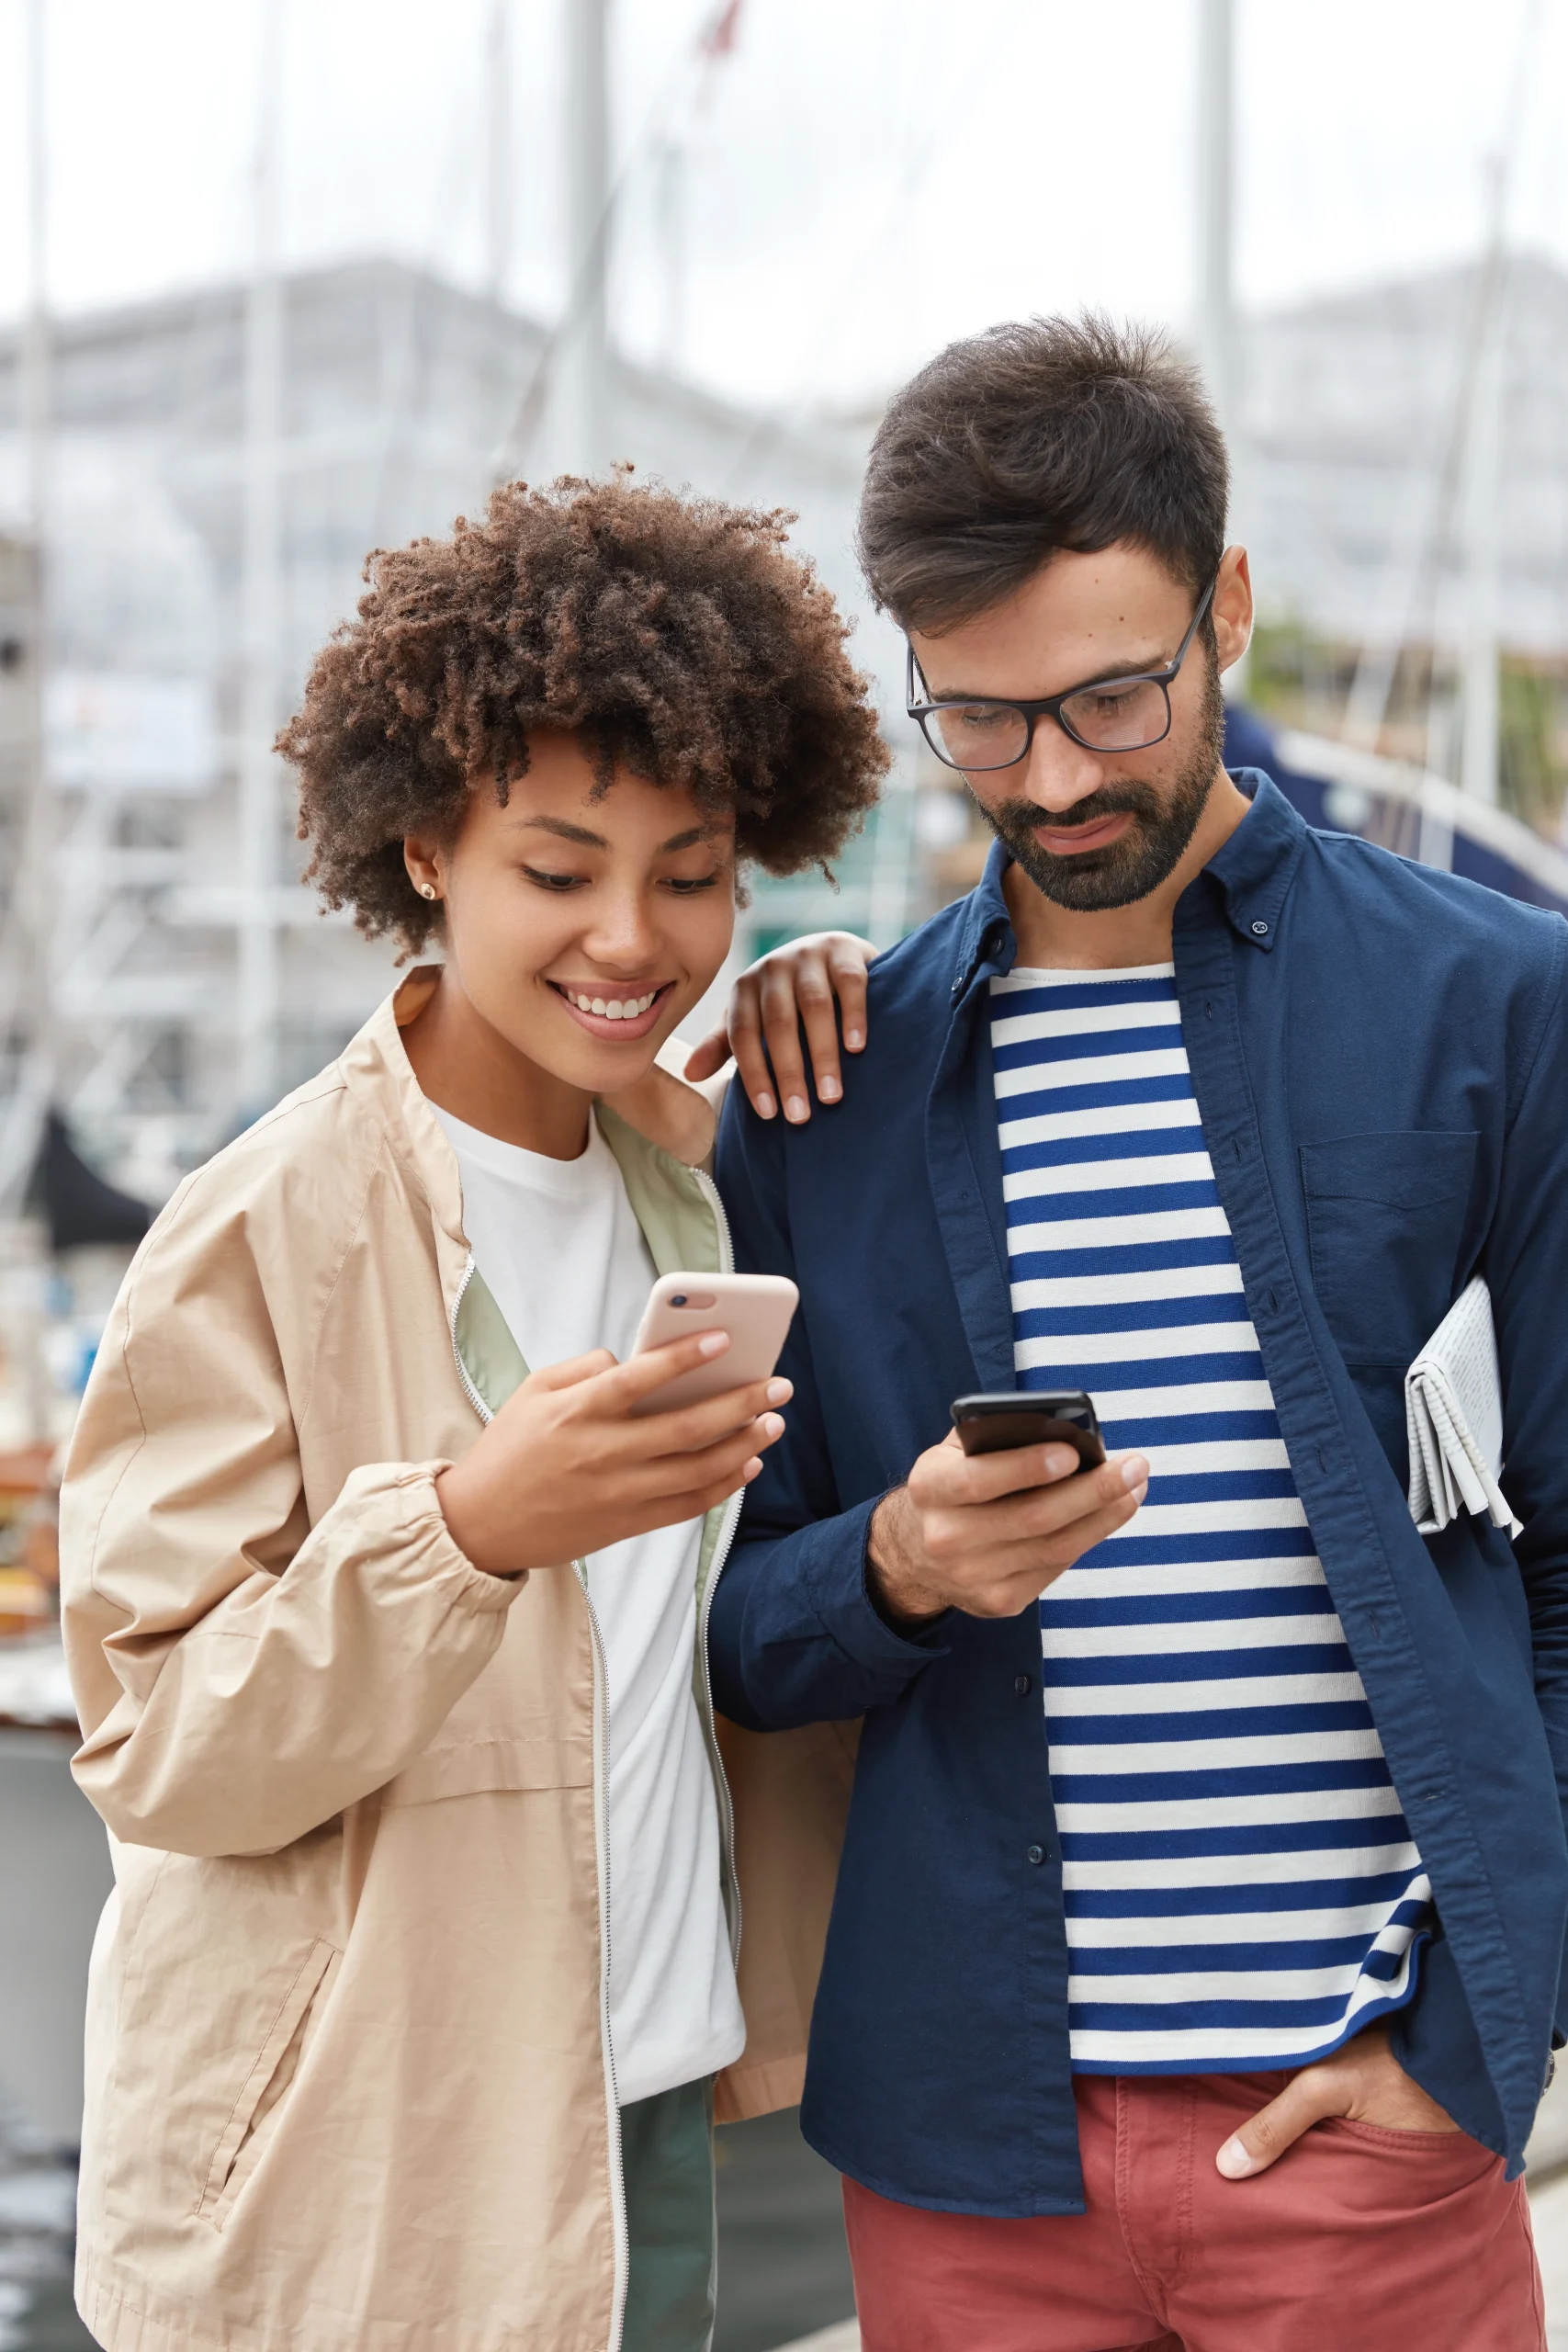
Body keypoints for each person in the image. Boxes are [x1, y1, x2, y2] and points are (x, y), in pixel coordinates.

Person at [696, 316, 1563, 2351]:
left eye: (1109, 696)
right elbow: (728, 1633)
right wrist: (895, 1568)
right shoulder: (827, 1078)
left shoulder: (1501, 1013)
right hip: (963, 2153)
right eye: (980, 723)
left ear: (1226, 605)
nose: (1057, 779)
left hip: (1371, 2127)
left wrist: (1476, 2027)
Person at [58, 474, 886, 2352]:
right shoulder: (259, 1222)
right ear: (426, 844)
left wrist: (856, 992)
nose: (631, 935)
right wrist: (463, 1528)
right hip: (358, 2189)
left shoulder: (702, 1178)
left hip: (647, 2124)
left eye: (692, 870)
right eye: (560, 865)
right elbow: (157, 1732)